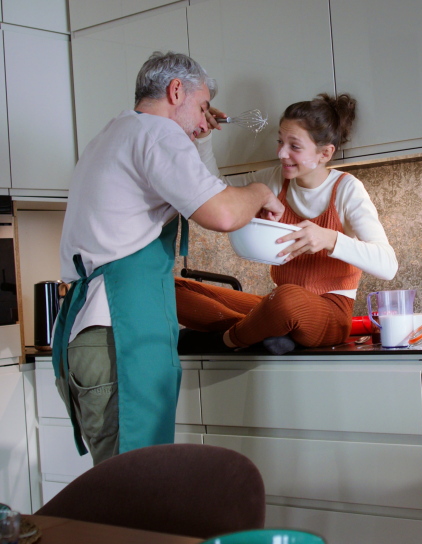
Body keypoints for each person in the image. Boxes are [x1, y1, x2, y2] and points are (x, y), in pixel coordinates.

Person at [53, 51, 284, 464]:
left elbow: (204, 188)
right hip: (120, 337)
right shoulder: (158, 134)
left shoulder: (113, 134)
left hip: (91, 337)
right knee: (136, 493)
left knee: (120, 489)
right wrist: (261, 193)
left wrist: (202, 137)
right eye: (200, 107)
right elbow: (223, 211)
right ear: (176, 90)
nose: (202, 120)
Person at [175, 93, 398, 354]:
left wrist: (330, 239)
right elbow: (215, 192)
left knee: (286, 297)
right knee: (171, 289)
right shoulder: (274, 179)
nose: (281, 153)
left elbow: (388, 265)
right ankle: (264, 332)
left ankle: (225, 341)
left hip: (330, 313)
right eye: (280, 142)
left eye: (294, 146)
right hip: (277, 306)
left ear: (325, 153)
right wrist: (203, 137)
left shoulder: (347, 189)